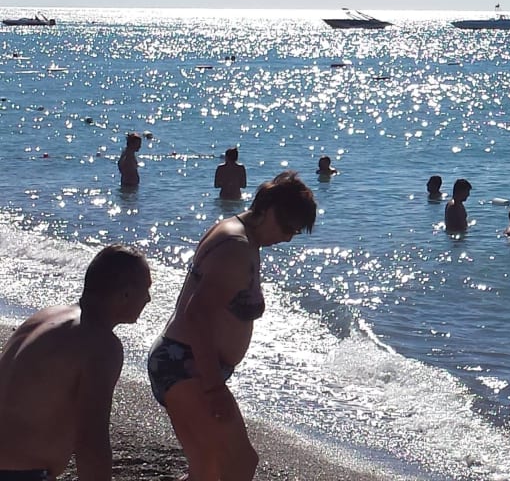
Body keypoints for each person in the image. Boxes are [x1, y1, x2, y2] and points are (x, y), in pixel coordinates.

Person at [148, 171, 315, 481]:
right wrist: (213, 387)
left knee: (206, 469)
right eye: (288, 227)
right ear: (268, 210)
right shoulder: (237, 247)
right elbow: (195, 314)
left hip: (180, 360)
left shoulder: (235, 231)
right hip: (188, 365)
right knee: (240, 463)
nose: (289, 237)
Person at [0, 245, 151, 481]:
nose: (149, 299)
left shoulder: (45, 316)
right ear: (125, 295)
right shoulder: (101, 345)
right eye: (146, 289)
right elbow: (92, 439)